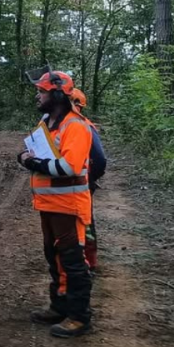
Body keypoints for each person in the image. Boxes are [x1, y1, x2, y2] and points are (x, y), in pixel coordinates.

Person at [18, 70, 94, 338]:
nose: (37, 96)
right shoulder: (48, 123)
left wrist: (33, 162)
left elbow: (69, 167)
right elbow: (37, 152)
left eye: (42, 91)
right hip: (49, 204)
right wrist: (26, 157)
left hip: (69, 205)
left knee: (72, 261)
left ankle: (79, 317)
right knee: (55, 257)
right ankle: (59, 306)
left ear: (58, 95)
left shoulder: (76, 126)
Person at [70, 89, 106, 274]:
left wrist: (89, 179)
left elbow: (100, 160)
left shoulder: (83, 126)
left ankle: (88, 263)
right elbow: (99, 161)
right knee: (82, 223)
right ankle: (84, 262)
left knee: (83, 223)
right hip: (74, 185)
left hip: (78, 185)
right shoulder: (81, 125)